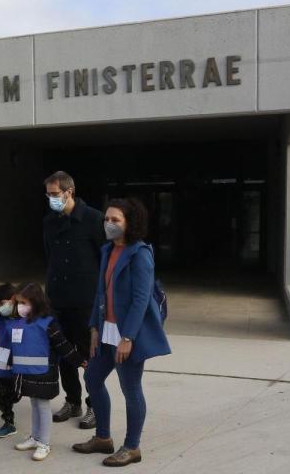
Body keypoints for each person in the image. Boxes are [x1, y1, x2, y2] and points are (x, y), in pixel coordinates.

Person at [72, 198, 170, 468]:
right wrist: (94, 327)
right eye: (107, 219)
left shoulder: (140, 254)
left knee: (130, 389)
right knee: (92, 378)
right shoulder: (107, 250)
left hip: (127, 335)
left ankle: (132, 446)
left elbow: (141, 300)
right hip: (105, 332)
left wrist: (128, 338)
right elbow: (100, 293)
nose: (109, 224)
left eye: (116, 220)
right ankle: (103, 437)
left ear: (130, 223)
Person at [43, 171, 104, 429]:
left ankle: (94, 404)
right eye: (48, 195)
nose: (51, 199)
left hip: (85, 300)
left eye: (55, 194)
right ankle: (73, 400)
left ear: (69, 192)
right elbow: (50, 256)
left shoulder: (93, 219)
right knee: (63, 353)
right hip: (58, 298)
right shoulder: (49, 221)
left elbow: (104, 260)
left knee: (89, 354)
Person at [10, 283, 85, 461]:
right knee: (35, 404)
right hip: (27, 372)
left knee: (42, 406)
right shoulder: (21, 322)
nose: (20, 306)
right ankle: (35, 437)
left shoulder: (48, 323)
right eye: (19, 302)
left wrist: (79, 361)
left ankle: (44, 442)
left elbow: (62, 345)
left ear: (35, 303)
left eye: (24, 302)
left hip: (44, 373)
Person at [0, 283, 18, 438]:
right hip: (0, 365)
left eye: (2, 304)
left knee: (16, 393)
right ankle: (8, 422)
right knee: (2, 396)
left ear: (13, 299)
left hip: (17, 365)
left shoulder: (24, 319)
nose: (0, 308)